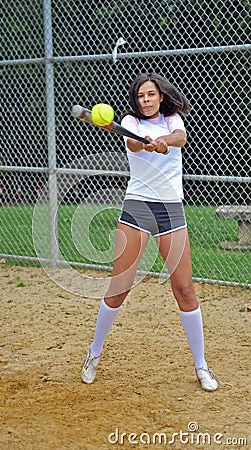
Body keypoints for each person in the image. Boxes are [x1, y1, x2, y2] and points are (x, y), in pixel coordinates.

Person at [81, 73, 218, 391]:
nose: (145, 99)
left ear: (160, 97)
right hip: (138, 208)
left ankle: (201, 365)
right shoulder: (131, 122)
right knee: (119, 289)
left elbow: (180, 138)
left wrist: (164, 142)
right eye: (141, 95)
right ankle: (94, 353)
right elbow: (130, 141)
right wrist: (146, 143)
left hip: (171, 210)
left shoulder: (172, 121)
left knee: (184, 289)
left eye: (151, 94)